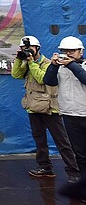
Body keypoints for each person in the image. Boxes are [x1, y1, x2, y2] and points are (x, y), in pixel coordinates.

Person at [11, 35, 80, 182]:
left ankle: (74, 172)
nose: (27, 51)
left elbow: (42, 78)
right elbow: (16, 75)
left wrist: (31, 63)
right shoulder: (26, 63)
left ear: (38, 49)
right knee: (39, 139)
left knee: (62, 142)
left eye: (29, 48)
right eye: (24, 48)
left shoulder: (48, 63)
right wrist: (19, 59)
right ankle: (44, 166)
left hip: (50, 108)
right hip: (33, 107)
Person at [44, 36, 86, 176]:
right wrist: (53, 65)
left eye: (72, 51)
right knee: (79, 153)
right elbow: (49, 81)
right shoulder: (61, 68)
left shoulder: (83, 65)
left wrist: (71, 65)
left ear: (81, 51)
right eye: (64, 51)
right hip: (70, 115)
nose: (68, 54)